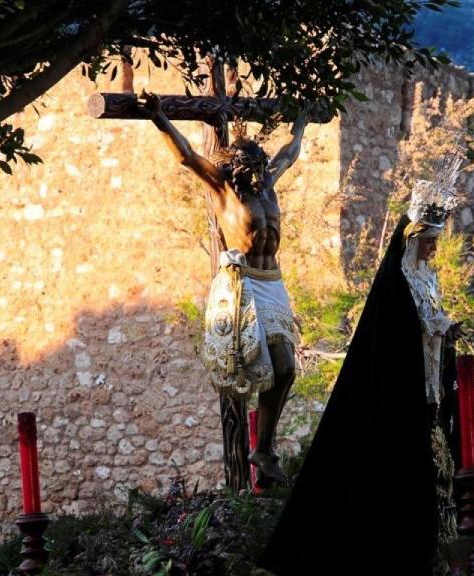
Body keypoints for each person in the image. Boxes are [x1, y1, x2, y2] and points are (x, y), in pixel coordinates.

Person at [259, 156, 465, 575]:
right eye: (428, 239)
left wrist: (445, 331)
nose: (434, 247)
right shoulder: (397, 283)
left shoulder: (429, 279)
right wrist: (430, 326)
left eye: (436, 240)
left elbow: (428, 324)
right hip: (395, 390)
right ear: (411, 239)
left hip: (427, 387)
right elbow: (393, 334)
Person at [140, 93, 306, 486]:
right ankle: (251, 456)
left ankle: (263, 448)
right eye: (249, 162)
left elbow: (292, 152)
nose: (259, 167)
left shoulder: (269, 184)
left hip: (272, 285)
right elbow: (185, 157)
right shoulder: (223, 189)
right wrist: (160, 118)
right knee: (242, 368)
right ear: (234, 164)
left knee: (286, 368)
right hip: (244, 283)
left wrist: (301, 121)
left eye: (260, 162)